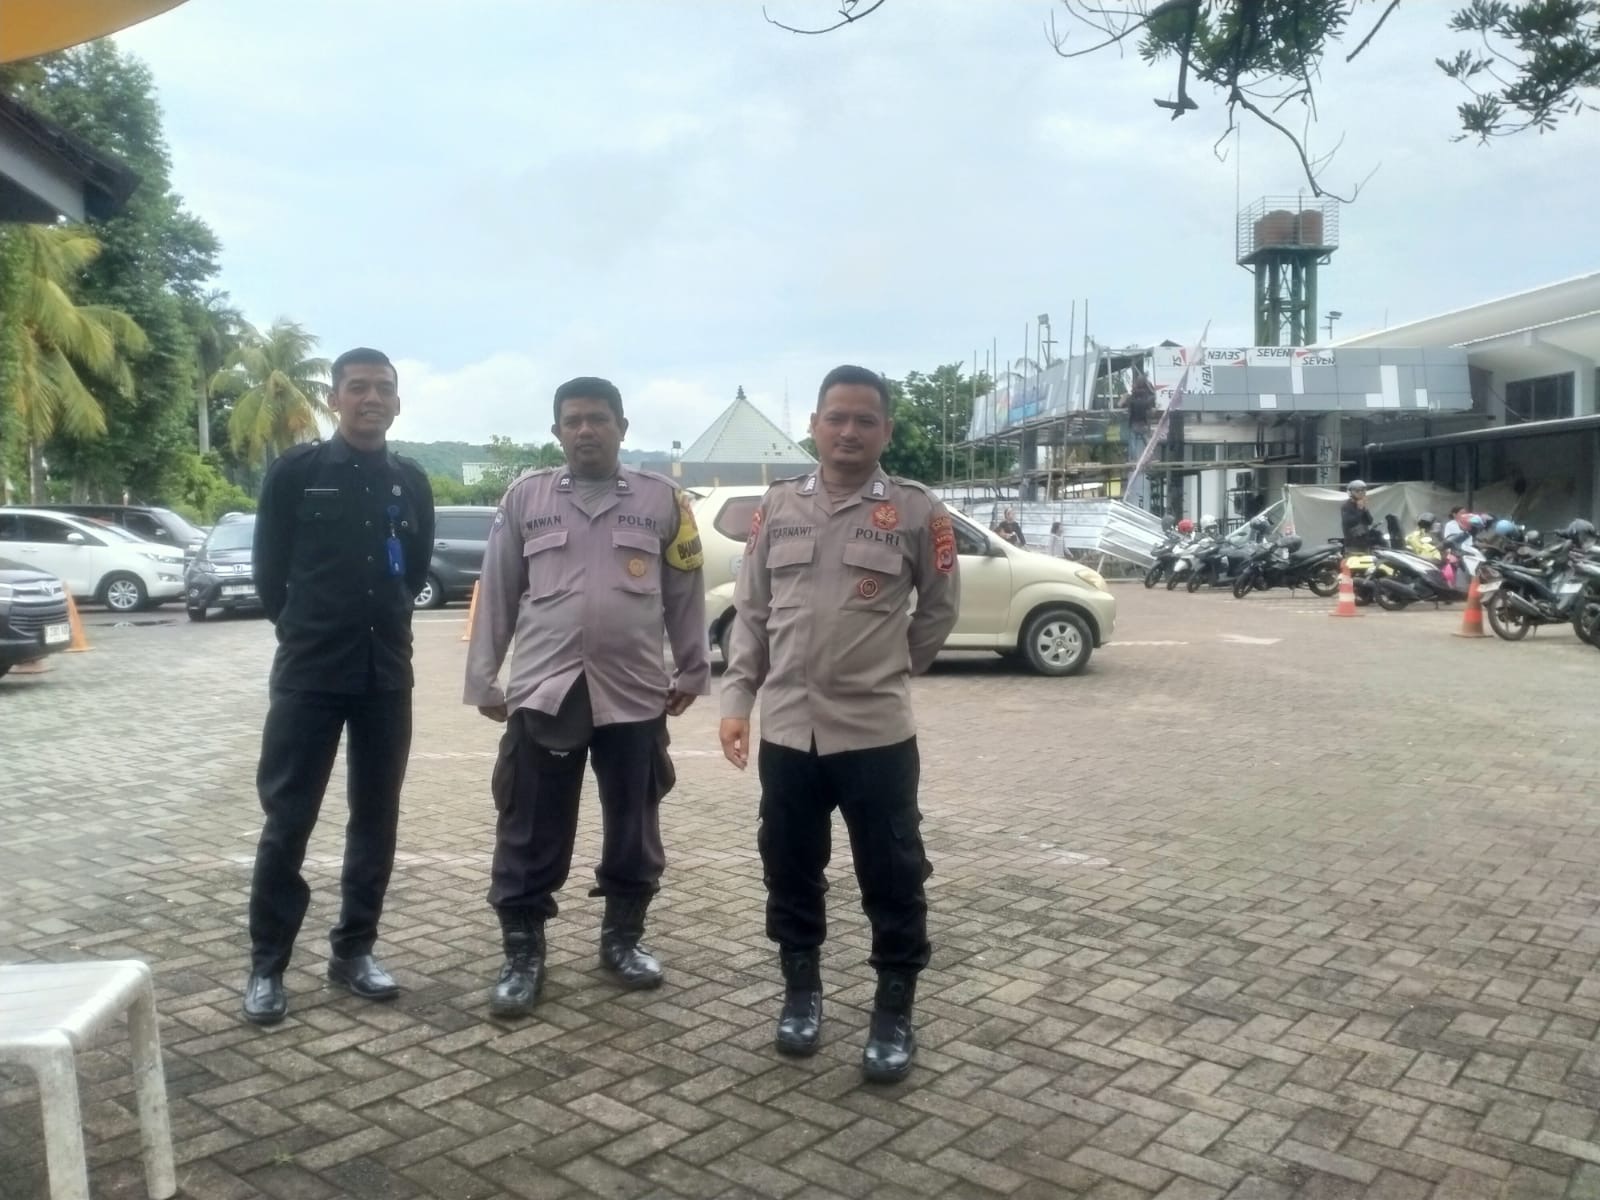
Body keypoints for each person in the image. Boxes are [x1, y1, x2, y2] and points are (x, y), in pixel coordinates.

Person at [719, 364, 960, 1084]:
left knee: (893, 872)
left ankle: (893, 1010)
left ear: (886, 430)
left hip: (876, 734)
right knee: (789, 867)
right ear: (814, 425)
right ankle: (801, 994)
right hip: (789, 733)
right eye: (836, 418)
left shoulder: (917, 510)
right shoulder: (779, 505)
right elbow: (751, 612)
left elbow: (939, 608)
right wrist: (737, 701)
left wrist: (890, 667)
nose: (848, 431)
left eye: (864, 420)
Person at [463, 377, 709, 1019]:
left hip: (634, 691)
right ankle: (523, 954)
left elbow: (684, 590)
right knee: (529, 826)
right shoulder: (526, 498)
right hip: (546, 690)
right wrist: (484, 678)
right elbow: (497, 590)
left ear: (622, 427)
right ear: (556, 432)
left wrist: (692, 668)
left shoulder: (663, 501)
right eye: (572, 421)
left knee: (634, 825)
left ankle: (622, 939)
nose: (585, 431)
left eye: (598, 419)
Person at [244, 348, 435, 1025]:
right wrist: (307, 630)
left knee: (376, 818)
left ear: (398, 403)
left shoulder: (410, 482)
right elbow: (269, 574)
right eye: (358, 387)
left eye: (384, 388)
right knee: (288, 820)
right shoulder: (296, 473)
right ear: (335, 398)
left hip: (386, 675)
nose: (371, 398)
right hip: (310, 675)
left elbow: (413, 572)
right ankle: (267, 965)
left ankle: (355, 951)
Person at [1340, 480, 1376, 550]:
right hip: (1352, 545)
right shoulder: (1346, 506)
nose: (1360, 493)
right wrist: (1360, 509)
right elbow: (1349, 522)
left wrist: (1365, 510)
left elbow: (1369, 521)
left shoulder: (1361, 505)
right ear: (1350, 492)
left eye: (1362, 490)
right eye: (1357, 491)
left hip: (1365, 543)